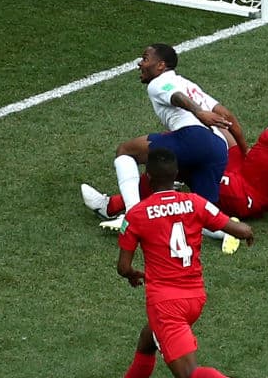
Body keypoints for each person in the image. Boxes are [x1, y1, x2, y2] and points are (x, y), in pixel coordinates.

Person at [88, 148, 265, 378]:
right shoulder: (194, 202)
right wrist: (248, 234)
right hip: (195, 297)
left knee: (187, 376)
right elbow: (239, 229)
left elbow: (123, 267)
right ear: (177, 176)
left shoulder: (138, 214)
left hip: (166, 304)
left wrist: (134, 274)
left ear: (147, 177)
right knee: (147, 340)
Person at [86, 66, 268, 235]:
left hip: (244, 195)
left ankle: (115, 206)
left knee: (182, 160)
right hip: (245, 172)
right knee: (222, 128)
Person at [80, 43, 246, 251]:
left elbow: (177, 97)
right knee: (198, 214)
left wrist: (198, 113)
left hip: (195, 137)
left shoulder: (159, 83)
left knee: (125, 151)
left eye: (145, 58)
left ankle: (132, 215)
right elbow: (227, 115)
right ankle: (229, 231)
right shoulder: (188, 83)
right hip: (217, 147)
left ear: (160, 65)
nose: (140, 63)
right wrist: (245, 153)